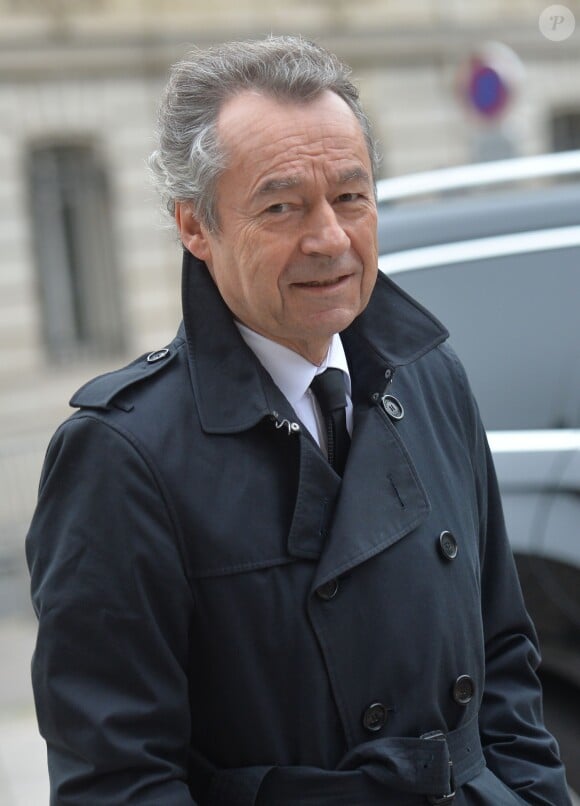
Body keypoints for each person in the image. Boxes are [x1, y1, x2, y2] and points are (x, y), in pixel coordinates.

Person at [26, 36, 571, 805]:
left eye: (351, 196)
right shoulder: (123, 453)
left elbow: (506, 661)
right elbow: (118, 781)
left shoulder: (431, 378)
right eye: (282, 206)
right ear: (195, 227)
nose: (330, 238)